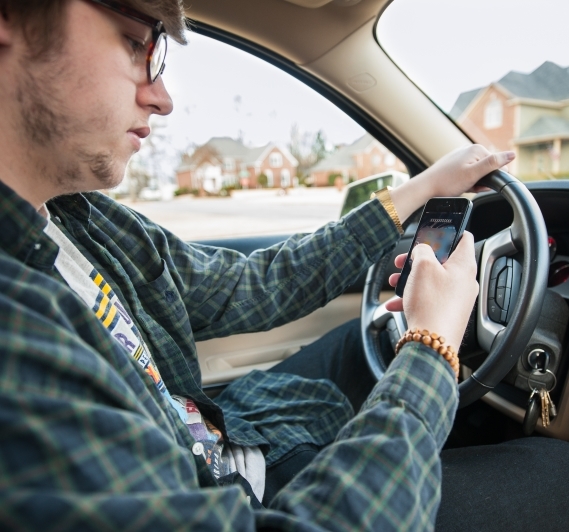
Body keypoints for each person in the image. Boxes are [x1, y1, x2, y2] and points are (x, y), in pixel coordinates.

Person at [1, 1, 567, 530]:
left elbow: (250, 284)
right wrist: (433, 346)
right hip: (246, 496)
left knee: (362, 338)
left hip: (232, 430)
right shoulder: (16, 334)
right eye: (134, 45)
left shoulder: (78, 217)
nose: (162, 97)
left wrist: (422, 189)